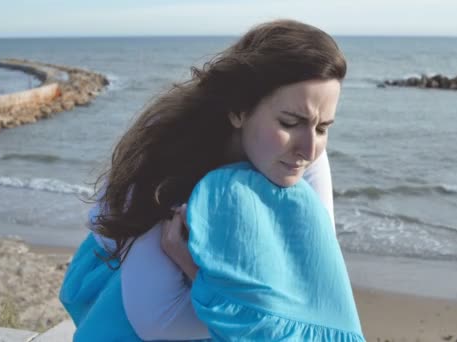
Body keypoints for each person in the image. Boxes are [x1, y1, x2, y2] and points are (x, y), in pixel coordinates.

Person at [59, 19, 362, 341]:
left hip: (196, 295)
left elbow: (311, 276)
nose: (309, 148)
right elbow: (159, 324)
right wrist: (248, 298)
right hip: (119, 285)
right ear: (238, 110)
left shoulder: (304, 151)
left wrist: (195, 268)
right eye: (290, 122)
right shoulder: (167, 165)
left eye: (323, 128)